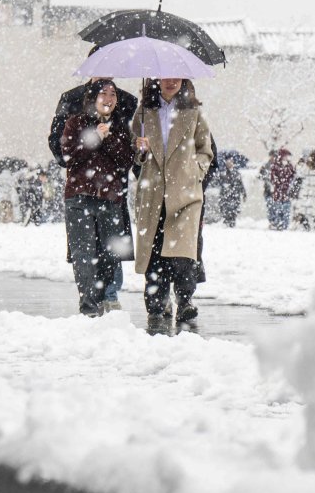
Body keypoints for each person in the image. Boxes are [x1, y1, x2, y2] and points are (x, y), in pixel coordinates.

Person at [51, 77, 140, 300]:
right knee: (84, 252)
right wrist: (94, 139)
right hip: (80, 194)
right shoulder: (74, 115)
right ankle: (89, 302)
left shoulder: (123, 114)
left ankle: (109, 295)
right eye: (102, 94)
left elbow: (127, 158)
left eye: (112, 94)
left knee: (111, 251)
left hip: (112, 193)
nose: (108, 99)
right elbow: (66, 153)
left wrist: (110, 139)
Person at [133, 78, 214, 323]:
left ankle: (185, 299)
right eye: (165, 75)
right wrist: (140, 149)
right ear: (156, 78)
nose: (171, 81)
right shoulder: (145, 112)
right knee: (155, 250)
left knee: (182, 252)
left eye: (176, 76)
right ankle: (157, 303)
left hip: (185, 192)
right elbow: (134, 153)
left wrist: (195, 170)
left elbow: (205, 149)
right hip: (154, 192)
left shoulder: (194, 111)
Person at [260, 148, 296, 230]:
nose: (287, 158)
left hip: (286, 194)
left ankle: (283, 226)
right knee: (275, 210)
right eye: (286, 156)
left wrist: (289, 186)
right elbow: (272, 179)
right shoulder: (274, 165)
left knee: (285, 211)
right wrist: (277, 185)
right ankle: (276, 224)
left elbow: (293, 177)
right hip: (276, 193)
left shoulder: (290, 166)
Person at [215, 156, 246, 227]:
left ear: (233, 163)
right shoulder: (222, 173)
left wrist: (244, 194)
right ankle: (227, 221)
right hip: (225, 195)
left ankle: (232, 221)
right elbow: (217, 182)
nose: (229, 164)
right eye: (227, 162)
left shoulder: (237, 173)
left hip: (234, 195)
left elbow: (240, 184)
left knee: (233, 209)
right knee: (225, 209)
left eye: (231, 162)